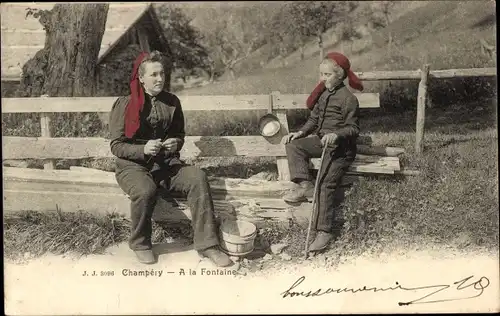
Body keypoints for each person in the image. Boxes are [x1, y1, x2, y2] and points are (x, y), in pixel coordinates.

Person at [108, 51, 232, 267]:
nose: (159, 79)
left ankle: (208, 245)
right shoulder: (125, 104)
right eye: (154, 75)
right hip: (132, 167)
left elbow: (179, 134)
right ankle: (140, 243)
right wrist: (143, 149)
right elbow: (116, 145)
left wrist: (176, 143)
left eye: (162, 74)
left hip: (165, 164)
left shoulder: (172, 102)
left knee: (197, 177)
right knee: (145, 190)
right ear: (141, 77)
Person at [281, 52, 363, 253]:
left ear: (339, 75)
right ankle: (305, 184)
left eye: (327, 75)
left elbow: (353, 129)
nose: (322, 79)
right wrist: (299, 133)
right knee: (293, 146)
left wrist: (336, 134)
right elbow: (314, 120)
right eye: (321, 74)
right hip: (322, 142)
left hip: (341, 149)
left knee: (326, 183)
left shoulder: (348, 99)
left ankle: (324, 231)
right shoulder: (324, 95)